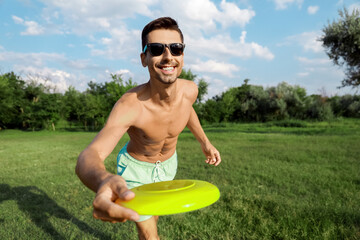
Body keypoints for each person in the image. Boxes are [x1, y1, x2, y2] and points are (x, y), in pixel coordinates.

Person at [75, 17, 221, 240]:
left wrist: (205, 142)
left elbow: (187, 109)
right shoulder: (130, 105)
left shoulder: (190, 91)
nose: (168, 56)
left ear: (182, 55)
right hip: (136, 171)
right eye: (156, 49)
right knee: (151, 236)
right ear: (144, 58)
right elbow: (90, 155)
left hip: (168, 165)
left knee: (152, 216)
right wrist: (103, 180)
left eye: (176, 48)